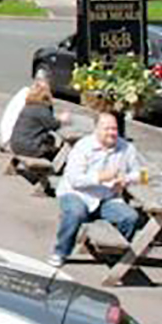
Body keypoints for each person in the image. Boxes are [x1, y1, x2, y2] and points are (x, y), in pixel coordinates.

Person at [48, 111, 145, 267]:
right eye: (107, 129)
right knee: (75, 212)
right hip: (78, 194)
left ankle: (114, 254)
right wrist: (100, 177)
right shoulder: (84, 146)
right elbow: (74, 180)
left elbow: (139, 173)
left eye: (114, 129)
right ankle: (60, 252)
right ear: (97, 129)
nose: (112, 133)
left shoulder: (126, 148)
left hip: (107, 197)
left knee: (130, 217)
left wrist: (126, 179)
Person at [9, 81, 68, 160]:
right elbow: (53, 125)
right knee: (52, 143)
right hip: (29, 147)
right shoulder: (41, 108)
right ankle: (50, 166)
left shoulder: (28, 106)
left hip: (15, 145)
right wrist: (61, 119)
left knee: (48, 139)